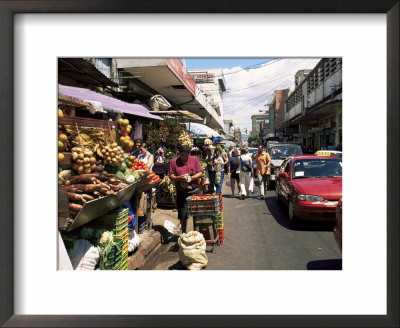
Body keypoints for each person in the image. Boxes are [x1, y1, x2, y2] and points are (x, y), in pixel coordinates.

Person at [168, 145, 203, 234]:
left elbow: (200, 172)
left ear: (189, 154)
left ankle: (197, 232)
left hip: (193, 190)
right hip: (181, 191)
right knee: (183, 214)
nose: (184, 157)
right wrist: (179, 177)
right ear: (179, 154)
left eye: (186, 154)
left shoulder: (194, 159)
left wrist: (191, 178)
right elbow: (171, 176)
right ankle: (184, 232)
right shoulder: (173, 162)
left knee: (196, 213)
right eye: (182, 154)